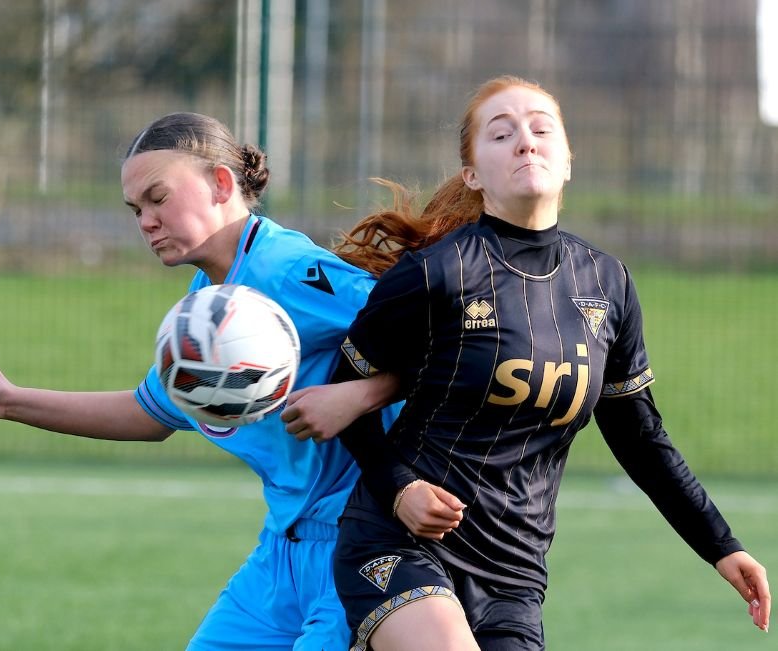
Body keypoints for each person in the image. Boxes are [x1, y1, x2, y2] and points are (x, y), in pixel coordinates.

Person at [280, 75, 771, 650]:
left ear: (567, 162)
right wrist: (400, 489)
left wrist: (722, 544)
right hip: (401, 543)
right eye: (501, 133)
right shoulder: (434, 274)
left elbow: (640, 438)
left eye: (542, 129)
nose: (525, 141)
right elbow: (347, 399)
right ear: (472, 174)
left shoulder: (607, 284)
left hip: (514, 575)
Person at [0, 111, 400, 650]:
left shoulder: (287, 269)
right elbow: (149, 414)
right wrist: (9, 400)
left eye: (158, 198)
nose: (145, 220)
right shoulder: (206, 304)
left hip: (362, 543)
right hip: (282, 552)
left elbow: (445, 343)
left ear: (221, 184)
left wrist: (358, 394)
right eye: (136, 209)